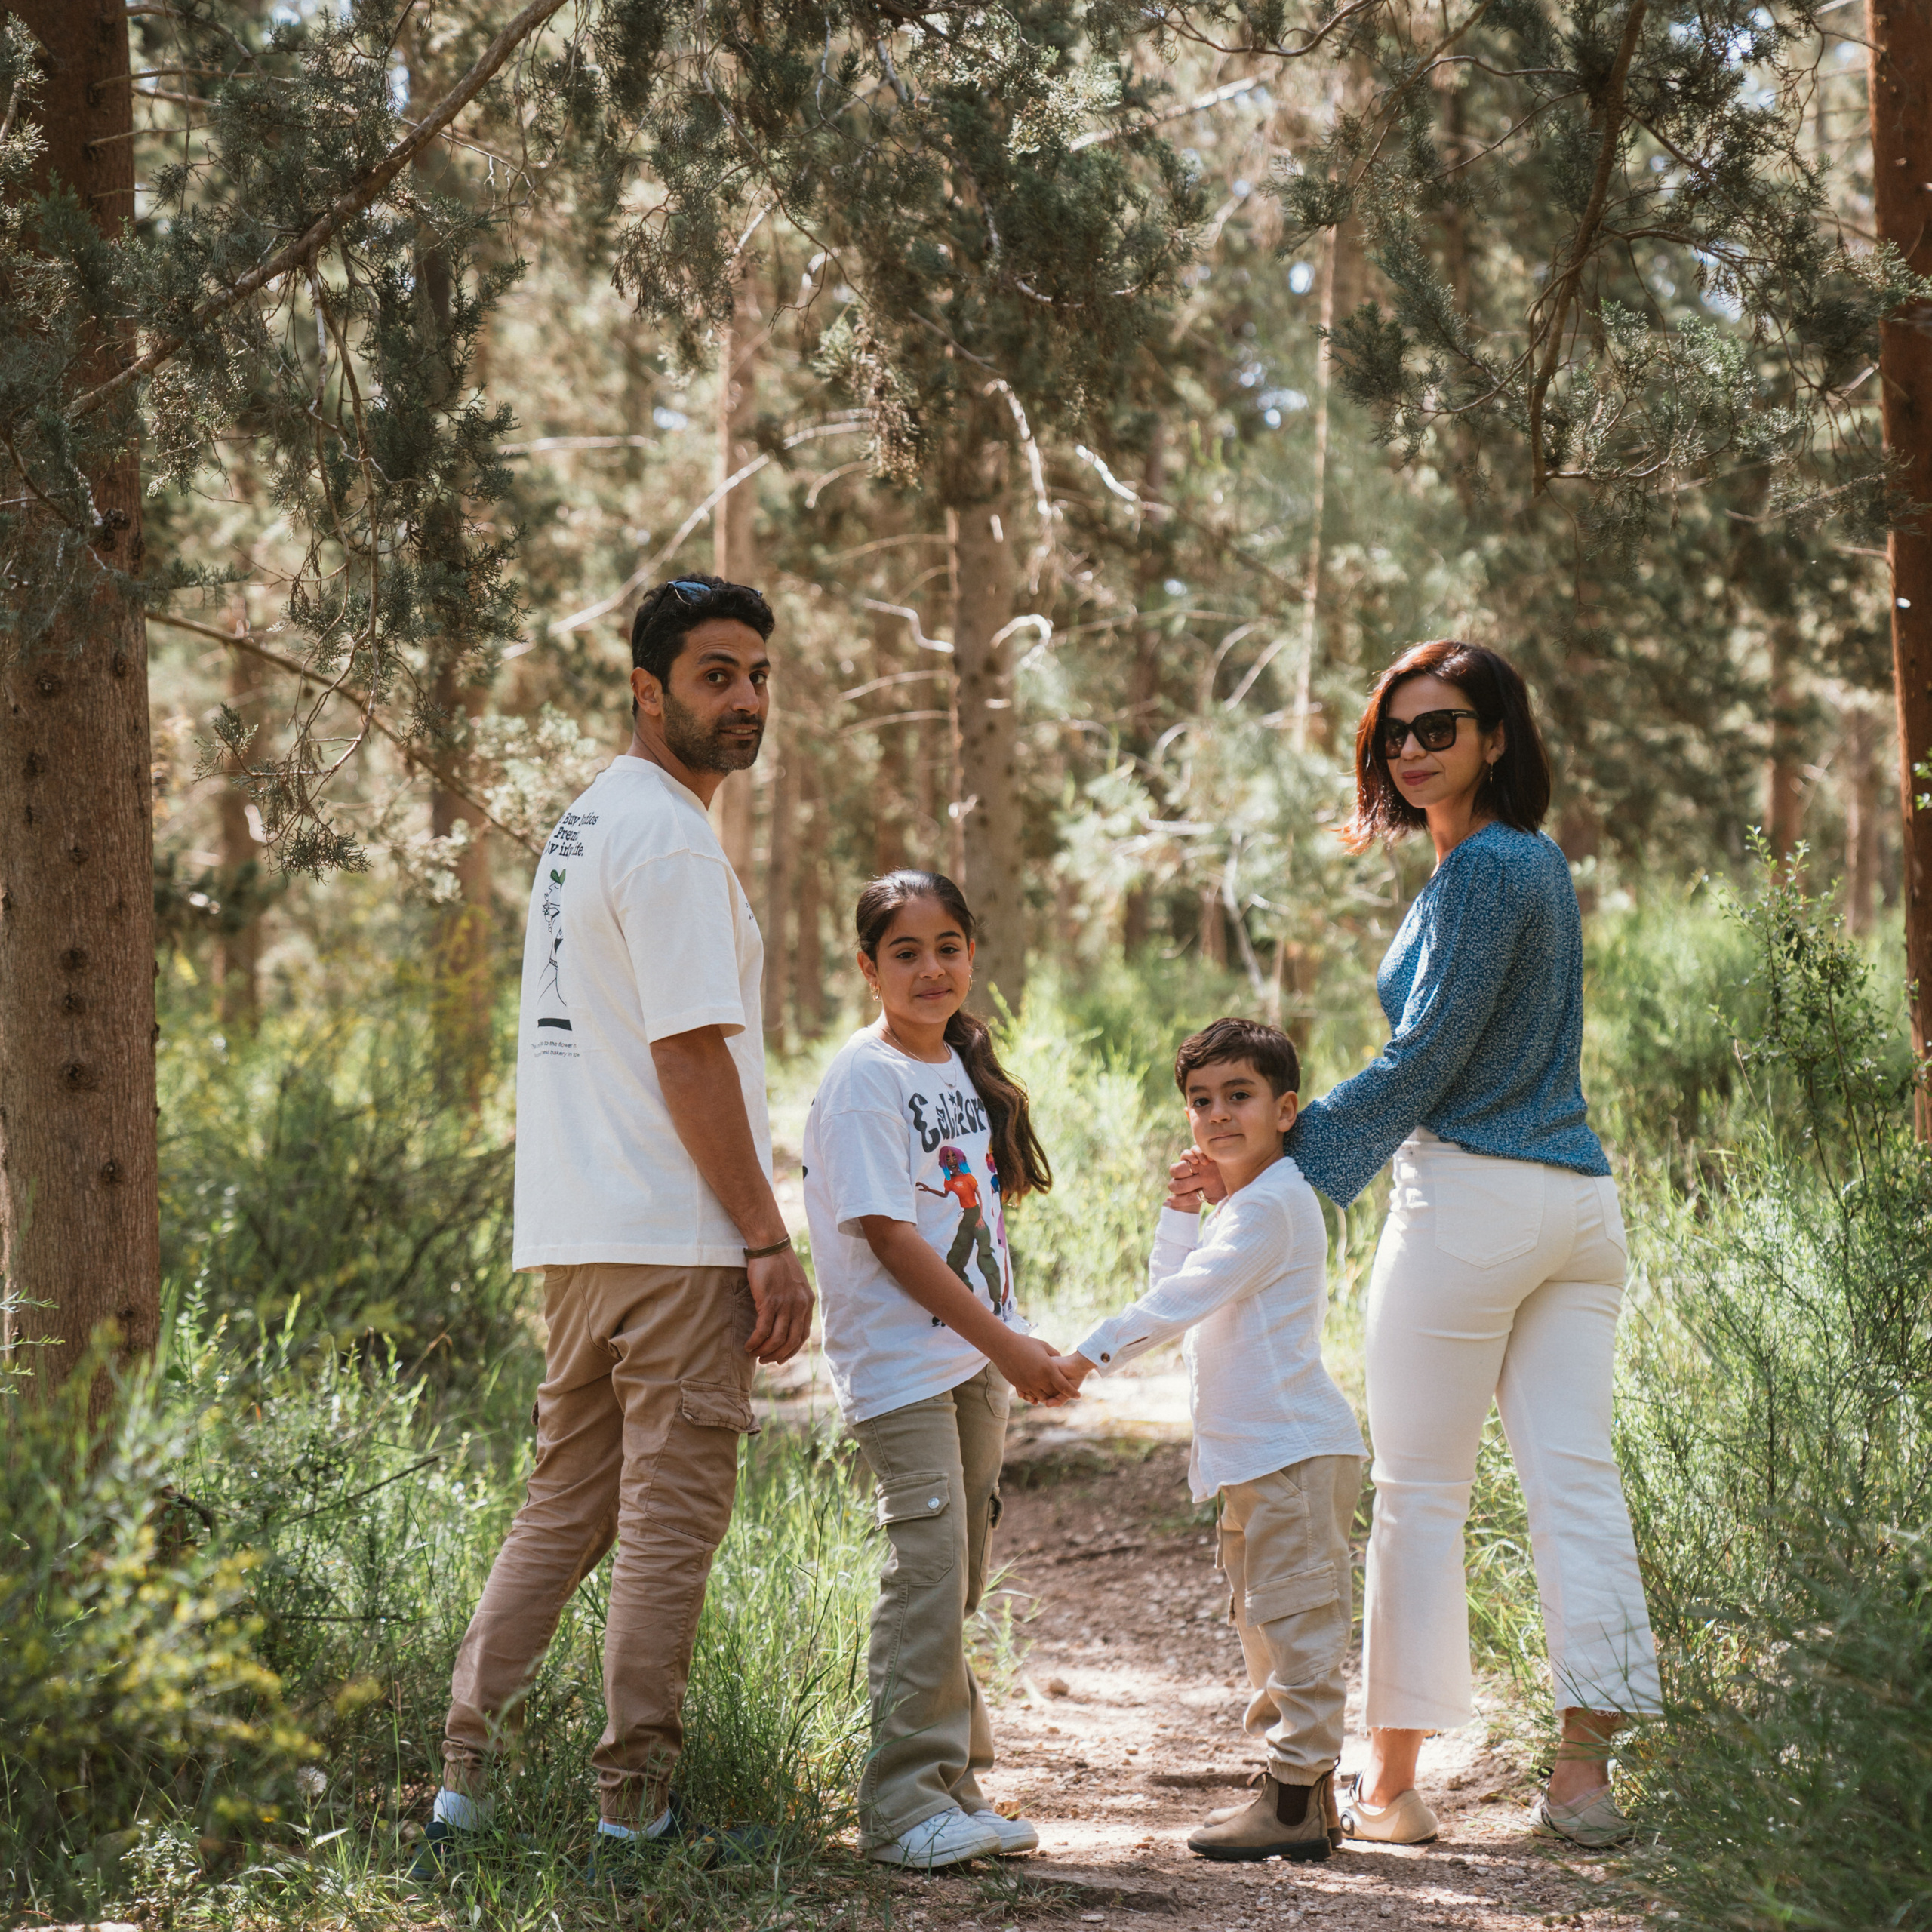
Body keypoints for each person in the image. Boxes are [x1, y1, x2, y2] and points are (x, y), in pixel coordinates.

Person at [413, 575, 814, 1882]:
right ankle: (633, 1812)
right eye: (715, 674)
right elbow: (693, 1054)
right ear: (650, 691)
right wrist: (767, 1238)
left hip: (581, 1240)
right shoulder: (671, 840)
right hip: (673, 1240)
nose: (745, 697)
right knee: (665, 1528)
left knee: (565, 1511)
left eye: (757, 672)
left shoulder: (589, 822)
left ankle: (463, 1793)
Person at [1286, 640, 1660, 1851]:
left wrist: (1288, 1167)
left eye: (1439, 727)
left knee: (1418, 1495)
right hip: (1578, 1210)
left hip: (1478, 1206)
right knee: (1576, 1484)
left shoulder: (1487, 869)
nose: (1410, 749)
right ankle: (1582, 1781)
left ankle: (1390, 1789)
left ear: (1497, 737)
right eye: (1395, 732)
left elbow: (1427, 1059)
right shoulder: (1525, 865)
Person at [801, 870, 1080, 1871]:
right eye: (906, 952)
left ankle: (955, 1785)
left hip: (971, 1359)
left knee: (959, 1574)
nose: (931, 968)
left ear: (973, 953)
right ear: (868, 965)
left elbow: (970, 1228)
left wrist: (1009, 1339)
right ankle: (902, 1805)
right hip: (904, 1367)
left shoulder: (956, 1065)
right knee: (925, 1572)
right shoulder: (864, 1076)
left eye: (949, 946)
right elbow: (887, 1234)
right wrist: (1008, 1347)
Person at [1051, 1019, 1365, 1863]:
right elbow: (1175, 1285)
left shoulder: (1273, 1204)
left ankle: (1296, 1801)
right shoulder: (1238, 1207)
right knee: (1265, 1626)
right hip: (1253, 1457)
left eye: (1239, 1096)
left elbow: (1179, 1301)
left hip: (1293, 1451)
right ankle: (1303, 1795)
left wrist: (1085, 1356)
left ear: (1285, 1108)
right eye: (1200, 1101)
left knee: (1298, 1626)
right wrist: (1177, 1208)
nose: (1217, 1115)